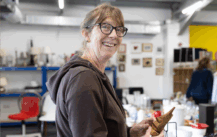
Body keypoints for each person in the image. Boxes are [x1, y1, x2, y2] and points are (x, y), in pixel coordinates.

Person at [46, 3, 163, 137]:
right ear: (86, 34)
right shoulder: (83, 78)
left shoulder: (95, 74)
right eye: (105, 27)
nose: (114, 34)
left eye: (119, 29)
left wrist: (129, 133)